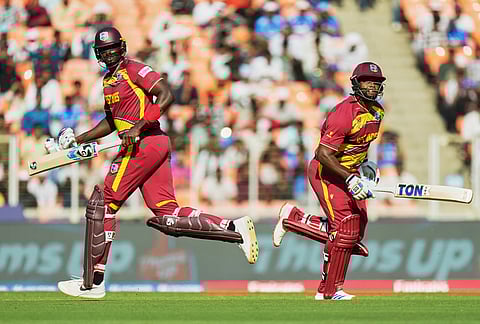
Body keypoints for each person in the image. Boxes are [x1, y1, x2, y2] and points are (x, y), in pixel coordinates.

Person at [45, 27, 258, 299]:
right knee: (167, 212)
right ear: (98, 54)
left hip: (145, 142)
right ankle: (233, 228)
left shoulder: (135, 70)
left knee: (104, 202)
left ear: (121, 48)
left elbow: (167, 95)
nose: (109, 55)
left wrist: (139, 126)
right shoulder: (108, 81)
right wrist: (80, 138)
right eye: (104, 51)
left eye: (112, 49)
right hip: (148, 145)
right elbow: (112, 121)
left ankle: (93, 282)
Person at [272, 61, 386, 300]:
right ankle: (330, 291)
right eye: (367, 81)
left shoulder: (377, 111)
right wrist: (350, 179)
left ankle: (293, 219)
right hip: (326, 172)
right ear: (356, 83)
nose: (372, 86)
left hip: (349, 172)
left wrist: (365, 165)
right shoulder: (345, 112)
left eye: (376, 82)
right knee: (345, 230)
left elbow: (359, 145)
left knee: (355, 232)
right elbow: (322, 155)